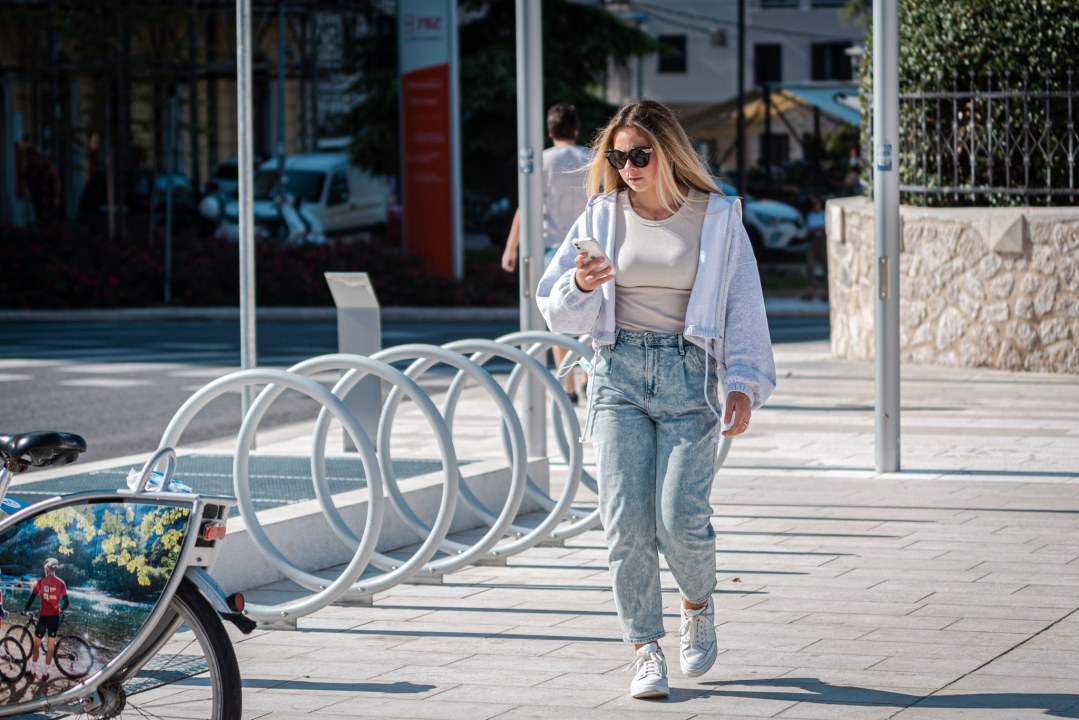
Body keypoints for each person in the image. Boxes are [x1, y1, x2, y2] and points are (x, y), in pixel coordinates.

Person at [537, 99, 775, 699]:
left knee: (679, 522)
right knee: (624, 525)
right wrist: (579, 283)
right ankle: (646, 648)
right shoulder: (601, 214)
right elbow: (556, 306)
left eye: (639, 155)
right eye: (618, 157)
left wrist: (743, 380)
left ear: (668, 150)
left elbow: (744, 303)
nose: (628, 167)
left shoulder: (716, 216)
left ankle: (697, 602)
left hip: (686, 376)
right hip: (616, 377)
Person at [503, 103, 592, 403]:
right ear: (576, 129)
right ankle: (587, 379)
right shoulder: (590, 159)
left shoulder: (539, 162)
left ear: (550, 131)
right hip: (586, 246)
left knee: (560, 320)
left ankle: (566, 387)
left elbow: (524, 208)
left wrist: (510, 247)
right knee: (591, 317)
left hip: (553, 250)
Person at [24, 557, 69, 680]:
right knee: (50, 647)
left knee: (37, 645)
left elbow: (32, 598)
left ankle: (33, 672)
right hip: (54, 618)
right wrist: (60, 610)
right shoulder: (61, 583)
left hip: (43, 618)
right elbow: (66, 603)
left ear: (48, 568)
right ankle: (45, 673)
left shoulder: (40, 582)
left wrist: (25, 611)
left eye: (45, 568)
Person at [805, 196, 827, 298]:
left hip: (823, 241)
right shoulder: (810, 215)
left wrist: (817, 229)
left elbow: (825, 229)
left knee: (825, 266)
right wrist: (818, 229)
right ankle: (809, 291)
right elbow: (809, 229)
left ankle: (826, 292)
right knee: (810, 265)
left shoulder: (824, 214)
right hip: (814, 241)